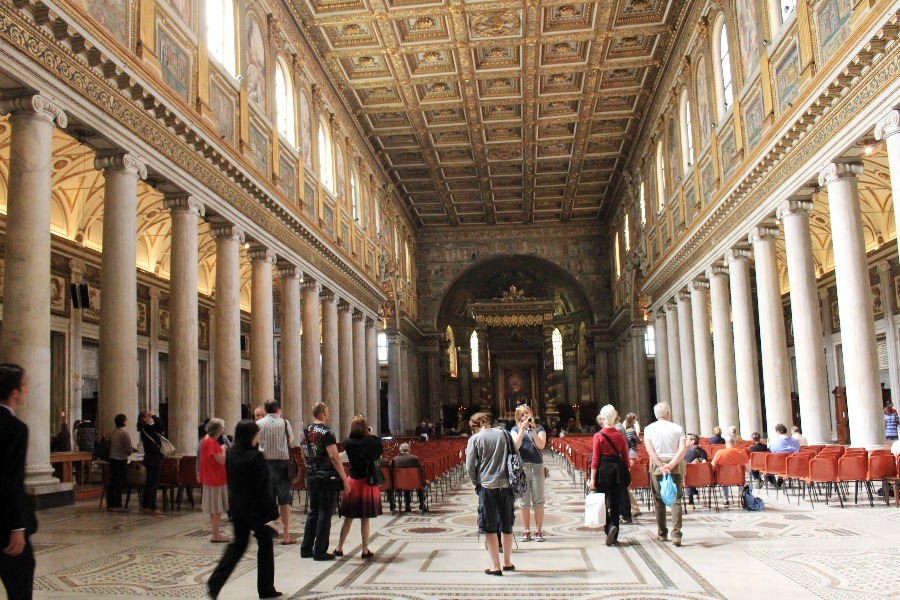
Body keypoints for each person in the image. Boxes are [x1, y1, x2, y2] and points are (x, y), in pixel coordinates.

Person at [207, 420, 281, 599]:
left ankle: (215, 581)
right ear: (251, 436)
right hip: (256, 509)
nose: (258, 438)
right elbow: (265, 487)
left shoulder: (231, 455)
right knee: (265, 544)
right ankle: (266, 589)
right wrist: (274, 515)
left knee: (238, 545)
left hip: (238, 507)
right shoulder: (256, 457)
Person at [0, 364, 37, 600]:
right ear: (14, 392)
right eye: (25, 385)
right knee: (20, 585)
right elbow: (10, 479)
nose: (27, 390)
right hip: (4, 523)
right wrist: (17, 527)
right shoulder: (14, 428)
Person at [466, 412, 515, 576]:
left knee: (489, 525)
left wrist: (476, 482)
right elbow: (516, 457)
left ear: (474, 426)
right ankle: (507, 562)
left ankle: (496, 566)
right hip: (506, 484)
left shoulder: (475, 439)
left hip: (487, 485)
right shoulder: (505, 434)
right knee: (507, 524)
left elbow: (470, 467)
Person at [301, 402, 350, 561]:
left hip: (311, 474)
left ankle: (306, 548)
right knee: (325, 512)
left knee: (313, 511)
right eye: (327, 411)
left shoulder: (305, 431)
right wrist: (344, 479)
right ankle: (320, 550)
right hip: (326, 476)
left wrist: (308, 470)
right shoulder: (327, 432)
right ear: (324, 413)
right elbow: (334, 457)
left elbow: (303, 454)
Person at [334, 415, 383, 559]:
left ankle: (339, 547)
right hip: (367, 482)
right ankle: (365, 548)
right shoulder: (369, 441)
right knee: (365, 518)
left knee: (348, 517)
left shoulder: (347, 443)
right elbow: (379, 451)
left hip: (353, 481)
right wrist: (370, 434)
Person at [643, 403, 686, 547]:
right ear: (668, 413)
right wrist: (671, 464)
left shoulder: (649, 429)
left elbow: (649, 449)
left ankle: (662, 533)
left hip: (657, 467)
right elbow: (682, 449)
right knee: (676, 500)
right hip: (675, 466)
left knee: (659, 501)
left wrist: (661, 465)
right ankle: (676, 534)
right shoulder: (678, 428)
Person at [589, 405, 631, 546]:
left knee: (601, 501)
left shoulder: (598, 436)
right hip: (617, 469)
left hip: (603, 469)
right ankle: (615, 533)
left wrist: (592, 478)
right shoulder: (619, 435)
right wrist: (627, 471)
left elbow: (595, 459)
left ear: (602, 418)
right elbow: (625, 456)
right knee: (615, 502)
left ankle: (609, 527)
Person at [256, 400, 296, 545]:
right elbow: (290, 440)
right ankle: (286, 535)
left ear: (266, 410)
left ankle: (268, 533)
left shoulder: (259, 424)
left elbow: (255, 443)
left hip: (265, 464)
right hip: (282, 464)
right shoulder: (284, 423)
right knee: (284, 501)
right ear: (278, 409)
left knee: (268, 499)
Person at [511, 404, 547, 542]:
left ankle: (538, 531)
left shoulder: (540, 429)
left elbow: (541, 445)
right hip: (522, 467)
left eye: (527, 413)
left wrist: (533, 431)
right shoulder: (514, 429)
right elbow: (515, 446)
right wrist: (522, 430)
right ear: (518, 417)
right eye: (523, 414)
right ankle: (526, 530)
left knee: (538, 500)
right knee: (523, 501)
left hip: (537, 466)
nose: (526, 416)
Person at [200, 418, 229, 543]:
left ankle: (215, 532)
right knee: (217, 509)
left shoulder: (206, 440)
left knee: (214, 509)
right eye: (223, 426)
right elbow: (221, 460)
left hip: (210, 477)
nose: (224, 428)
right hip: (215, 479)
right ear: (218, 430)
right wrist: (223, 450)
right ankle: (216, 535)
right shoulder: (212, 443)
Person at [137, 410, 166, 516]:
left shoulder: (146, 429)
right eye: (147, 416)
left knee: (150, 482)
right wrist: (154, 415)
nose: (150, 417)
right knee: (153, 483)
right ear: (144, 419)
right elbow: (161, 426)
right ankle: (152, 507)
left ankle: (146, 505)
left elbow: (160, 428)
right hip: (153, 458)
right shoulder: (147, 428)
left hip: (151, 457)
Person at [710, 435, 750, 506]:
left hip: (723, 479)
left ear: (725, 442)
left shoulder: (720, 453)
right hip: (739, 479)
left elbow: (712, 467)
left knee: (723, 477)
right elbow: (748, 469)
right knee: (741, 480)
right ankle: (742, 498)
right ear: (735, 443)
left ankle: (725, 499)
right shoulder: (742, 452)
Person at [107, 413, 134, 512]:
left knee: (113, 482)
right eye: (126, 419)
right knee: (119, 483)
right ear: (123, 422)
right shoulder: (124, 433)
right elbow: (129, 449)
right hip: (120, 460)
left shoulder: (112, 432)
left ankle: (111, 504)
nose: (127, 421)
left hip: (112, 459)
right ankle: (117, 505)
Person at [391, 443, 426, 512]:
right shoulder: (414, 458)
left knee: (406, 485)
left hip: (400, 483)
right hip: (414, 482)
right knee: (419, 486)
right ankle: (422, 504)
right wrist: (422, 480)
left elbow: (391, 471)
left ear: (400, 450)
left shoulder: (395, 459)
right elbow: (421, 470)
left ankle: (407, 505)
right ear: (409, 449)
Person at [623, 413, 642, 520]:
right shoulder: (631, 431)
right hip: (632, 452)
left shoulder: (626, 430)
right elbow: (637, 441)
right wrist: (638, 429)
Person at [683, 434, 708, 510]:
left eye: (687, 439)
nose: (685, 441)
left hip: (690, 479)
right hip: (703, 478)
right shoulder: (704, 452)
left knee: (686, 474)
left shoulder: (687, 451)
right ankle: (695, 491)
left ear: (693, 441)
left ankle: (691, 502)